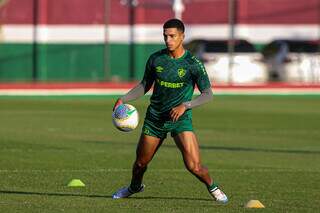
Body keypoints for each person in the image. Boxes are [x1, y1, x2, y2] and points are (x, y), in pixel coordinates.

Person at [112, 18, 228, 203]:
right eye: (165, 36)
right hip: (155, 118)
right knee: (141, 163)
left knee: (194, 166)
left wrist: (186, 105)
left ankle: (213, 187)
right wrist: (123, 98)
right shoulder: (156, 59)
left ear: (182, 37)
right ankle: (134, 187)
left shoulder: (193, 63)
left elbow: (208, 94)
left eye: (172, 36)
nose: (168, 40)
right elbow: (144, 86)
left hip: (180, 119)